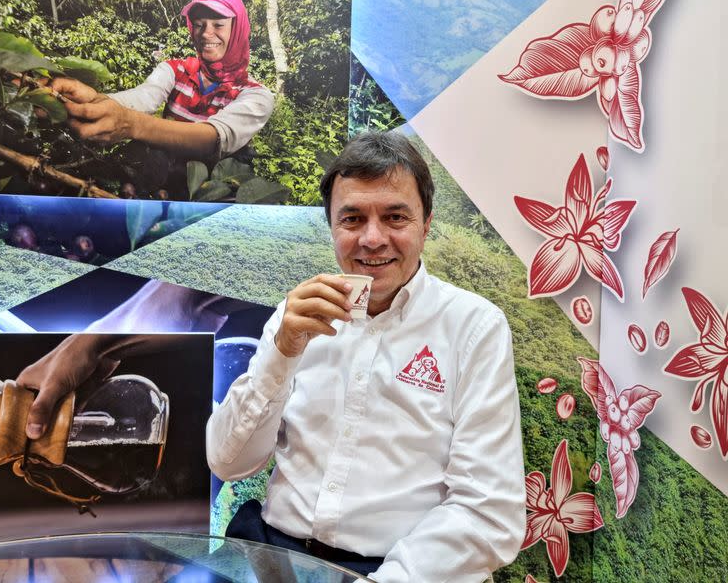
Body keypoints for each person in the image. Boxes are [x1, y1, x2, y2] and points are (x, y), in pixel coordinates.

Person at [206, 131, 526, 582]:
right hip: (273, 555)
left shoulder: (474, 327)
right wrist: (282, 351)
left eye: (395, 217)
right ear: (332, 227)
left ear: (426, 223)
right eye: (352, 219)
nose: (373, 239)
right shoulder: (296, 315)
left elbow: (488, 512)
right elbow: (227, 462)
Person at [49, 0, 273, 164]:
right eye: (199, 25)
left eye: (218, 25)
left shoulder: (256, 96)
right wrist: (89, 99)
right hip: (162, 190)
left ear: (237, 30)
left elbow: (213, 139)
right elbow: (142, 98)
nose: (206, 33)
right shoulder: (175, 70)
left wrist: (132, 125)